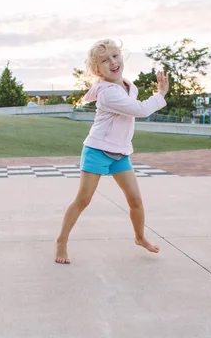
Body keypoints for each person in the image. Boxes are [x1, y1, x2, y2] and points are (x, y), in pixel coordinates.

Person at [55, 39, 169, 264]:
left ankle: (140, 237)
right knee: (83, 199)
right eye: (105, 61)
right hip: (97, 150)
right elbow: (140, 110)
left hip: (120, 153)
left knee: (135, 200)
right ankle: (61, 241)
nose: (113, 62)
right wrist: (161, 94)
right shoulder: (108, 92)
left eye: (115, 56)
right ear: (98, 70)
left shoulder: (129, 86)